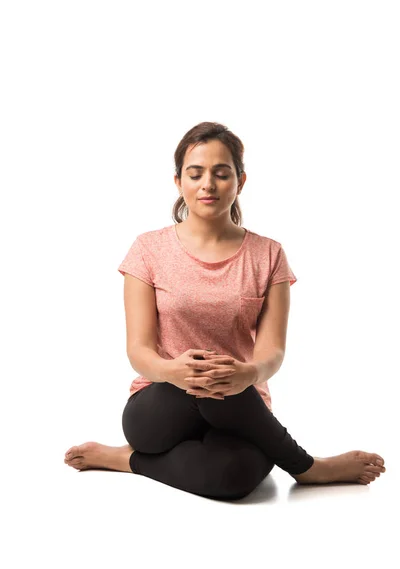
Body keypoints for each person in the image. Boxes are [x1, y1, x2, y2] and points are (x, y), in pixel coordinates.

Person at [64, 121, 386, 500]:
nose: (208, 185)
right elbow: (139, 350)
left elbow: (272, 352)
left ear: (241, 181)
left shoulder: (268, 255)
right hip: (160, 407)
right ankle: (308, 467)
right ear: (178, 182)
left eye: (221, 173)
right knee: (210, 374)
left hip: (239, 407)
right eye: (195, 173)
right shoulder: (148, 249)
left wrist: (248, 372)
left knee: (236, 477)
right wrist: (174, 371)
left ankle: (128, 461)